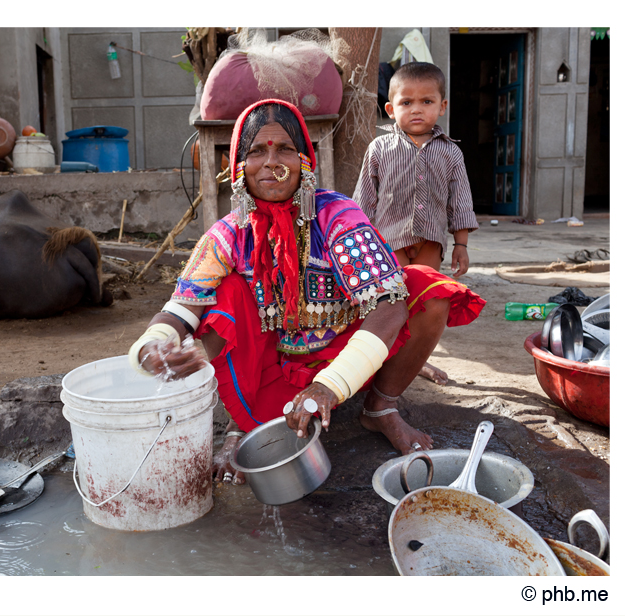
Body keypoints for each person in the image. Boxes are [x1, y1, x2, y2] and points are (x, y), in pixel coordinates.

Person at [129, 99, 484, 485]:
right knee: (225, 293)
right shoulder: (229, 234)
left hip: (345, 354)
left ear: (304, 160)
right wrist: (153, 346)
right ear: (238, 168)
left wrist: (331, 384)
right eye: (256, 151)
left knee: (426, 289)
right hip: (271, 368)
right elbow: (181, 308)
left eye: (284, 148)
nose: (270, 161)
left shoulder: (337, 216)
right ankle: (241, 421)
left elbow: (389, 306)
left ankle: (381, 407)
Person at [353, 61, 480, 385]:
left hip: (431, 243)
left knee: (426, 304)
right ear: (390, 108)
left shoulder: (451, 153)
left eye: (427, 101)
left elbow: (460, 201)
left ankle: (416, 359)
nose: (417, 110)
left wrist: (461, 245)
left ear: (442, 106)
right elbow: (364, 201)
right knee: (389, 303)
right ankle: (382, 359)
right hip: (388, 242)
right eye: (406, 102)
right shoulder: (379, 148)